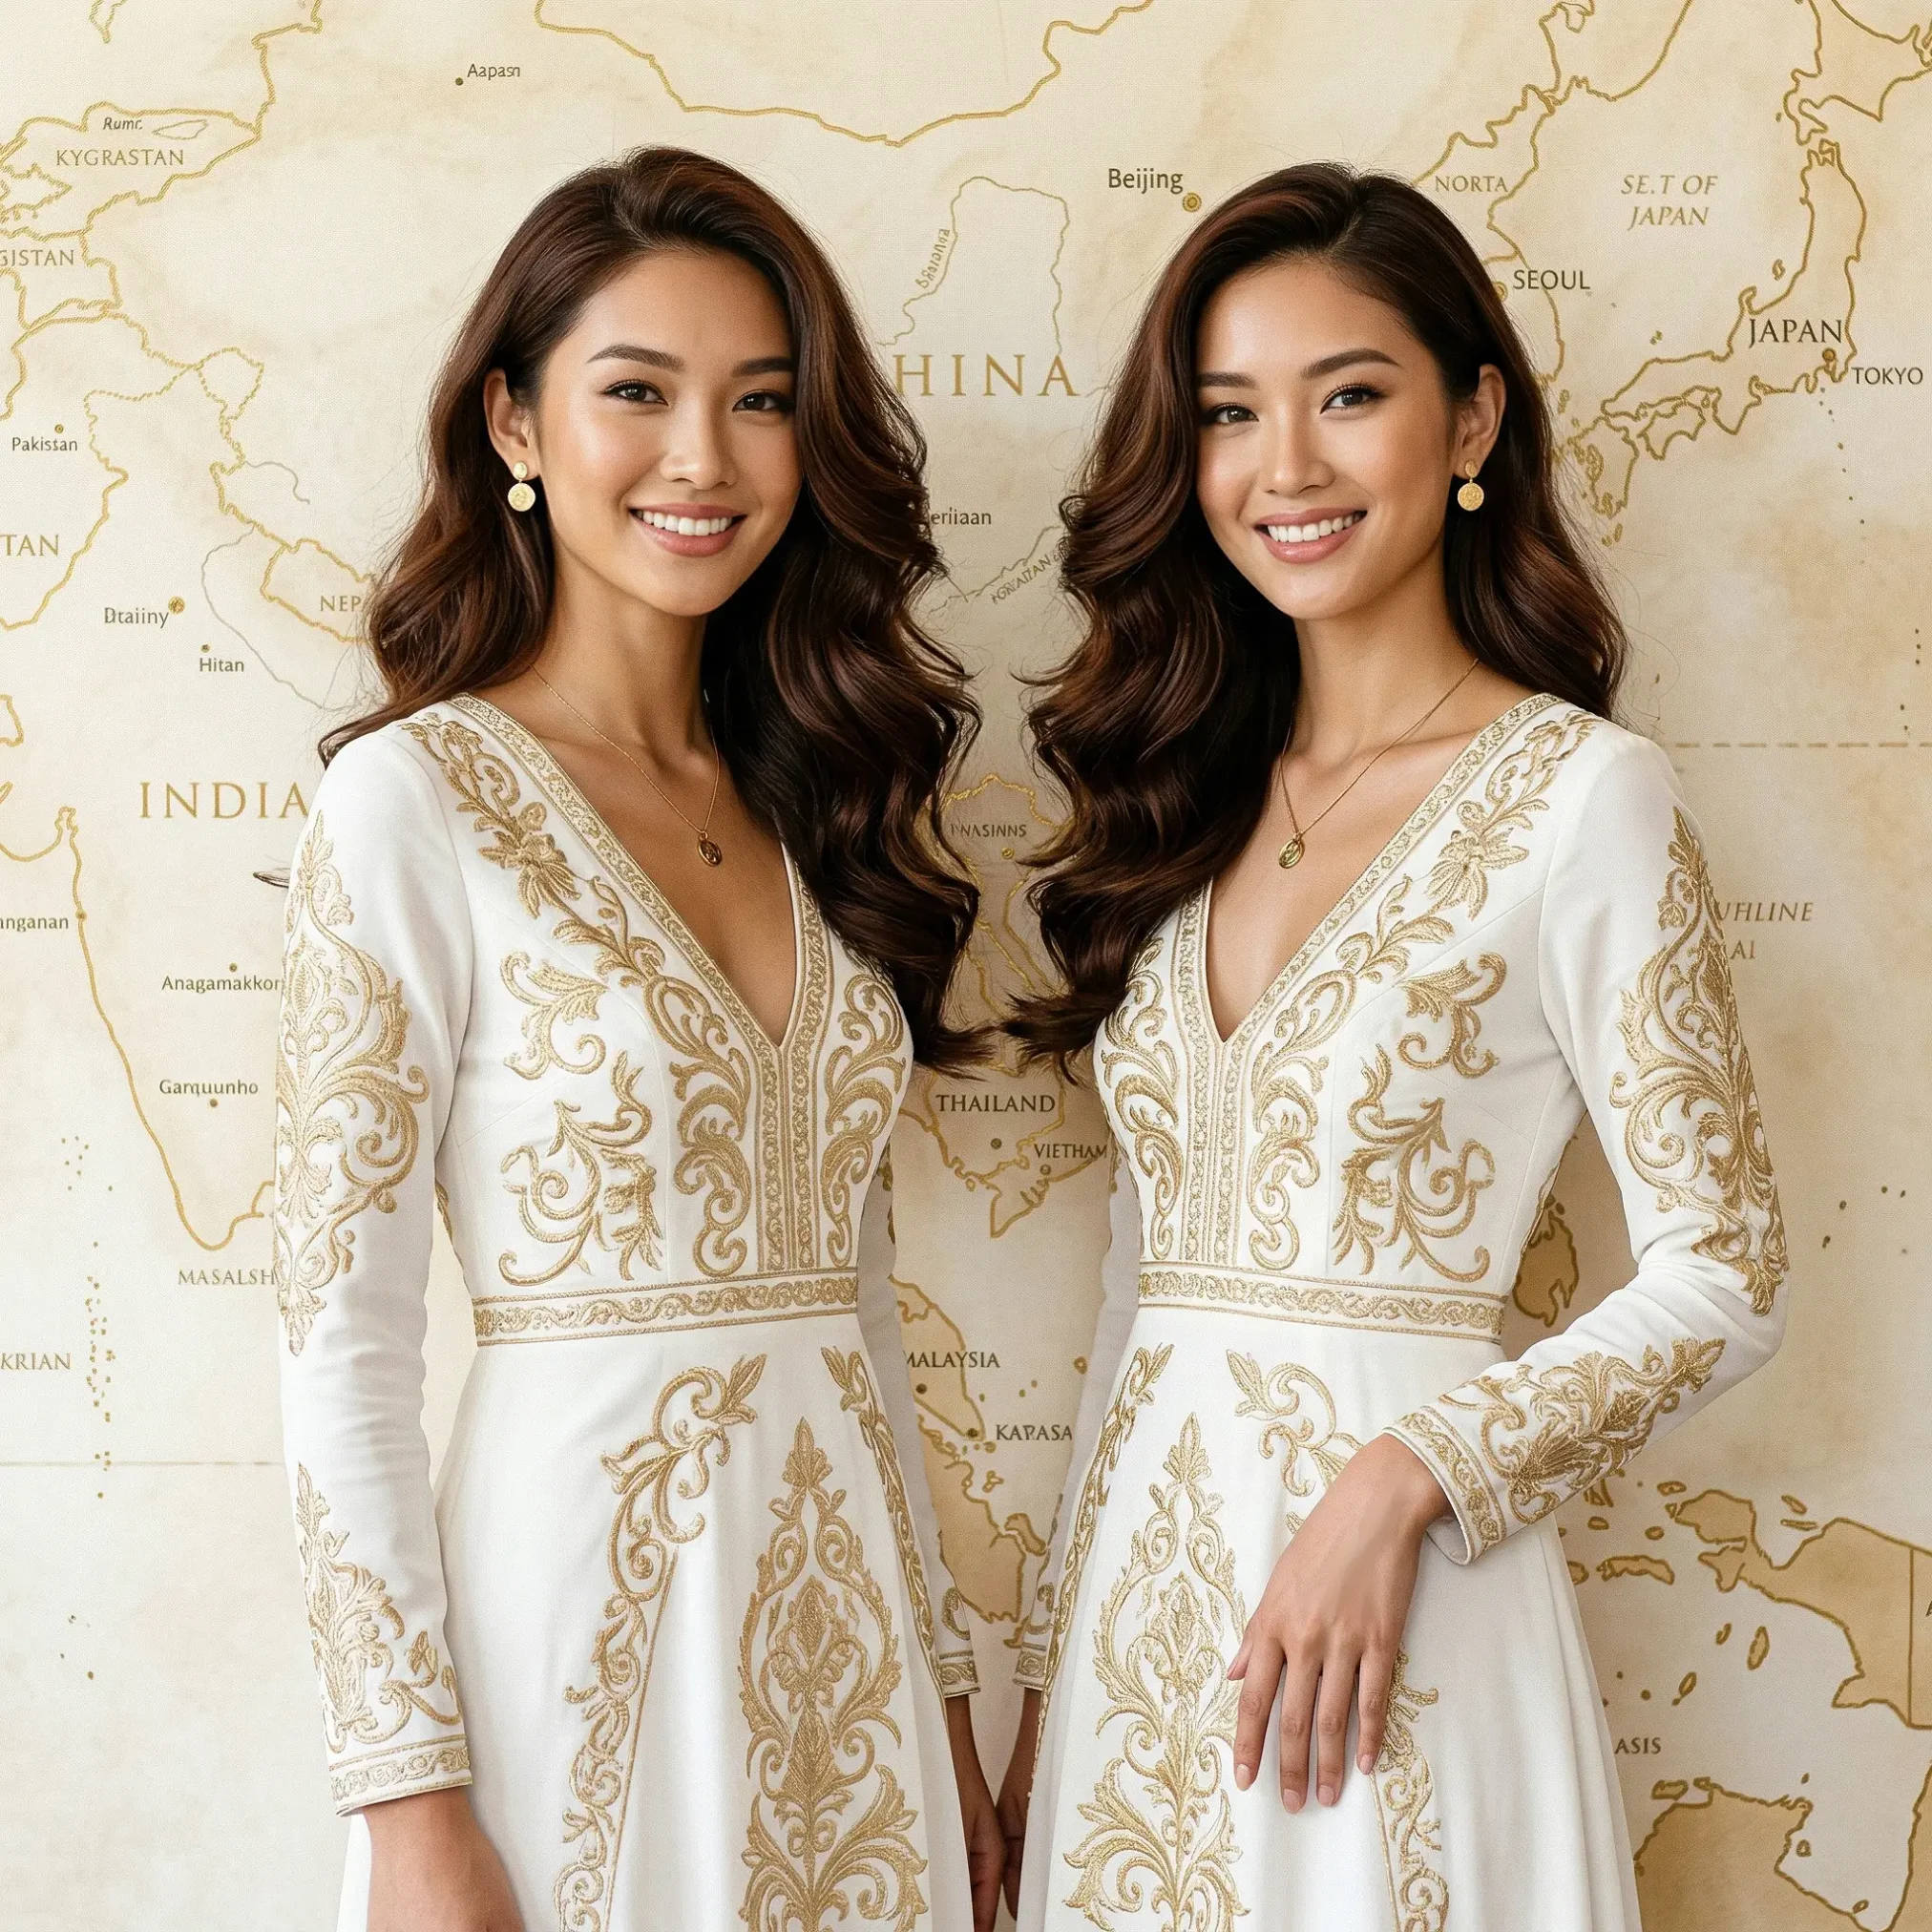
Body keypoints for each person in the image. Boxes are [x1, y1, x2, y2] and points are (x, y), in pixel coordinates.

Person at [995, 163, 1786, 1929]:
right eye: (1228, 414)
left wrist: (1407, 1478)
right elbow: (1144, 1285)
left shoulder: (1581, 798)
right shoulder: (1190, 802)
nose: (1285, 468)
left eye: (1348, 394)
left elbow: (1727, 1269)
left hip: (1403, 1609)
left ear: (1472, 415)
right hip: (1151, 1626)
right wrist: (1054, 1699)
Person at [273, 146, 1003, 1932]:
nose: (705, 459)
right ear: (514, 425)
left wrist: (954, 1704)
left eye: (762, 401)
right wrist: (409, 1811)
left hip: (856, 1680)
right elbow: (339, 1342)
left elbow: (864, 1313)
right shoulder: (411, 804)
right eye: (636, 393)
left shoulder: (817, 801)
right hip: (572, 1648)